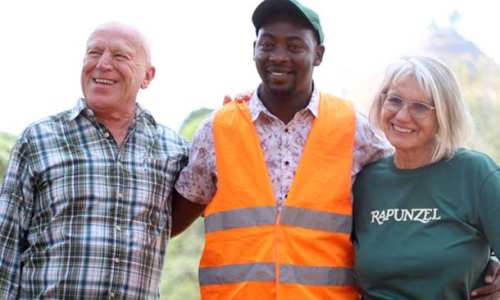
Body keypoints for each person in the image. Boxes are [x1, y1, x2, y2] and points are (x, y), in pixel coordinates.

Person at [172, 0, 392, 298]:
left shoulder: (356, 130)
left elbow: (405, 198)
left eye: (294, 46)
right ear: (254, 49)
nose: (278, 56)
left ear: (319, 55)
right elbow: (170, 222)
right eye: (267, 44)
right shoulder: (218, 128)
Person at [0, 23, 188, 299]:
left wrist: (238, 116)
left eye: (119, 56)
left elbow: (224, 193)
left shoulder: (173, 150)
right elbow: (6, 242)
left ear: (147, 77)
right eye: (93, 53)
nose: (102, 64)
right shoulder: (39, 139)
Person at [353, 55, 500, 299]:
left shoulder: (475, 174)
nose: (402, 116)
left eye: (420, 107)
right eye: (395, 100)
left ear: (444, 114)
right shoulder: (367, 181)